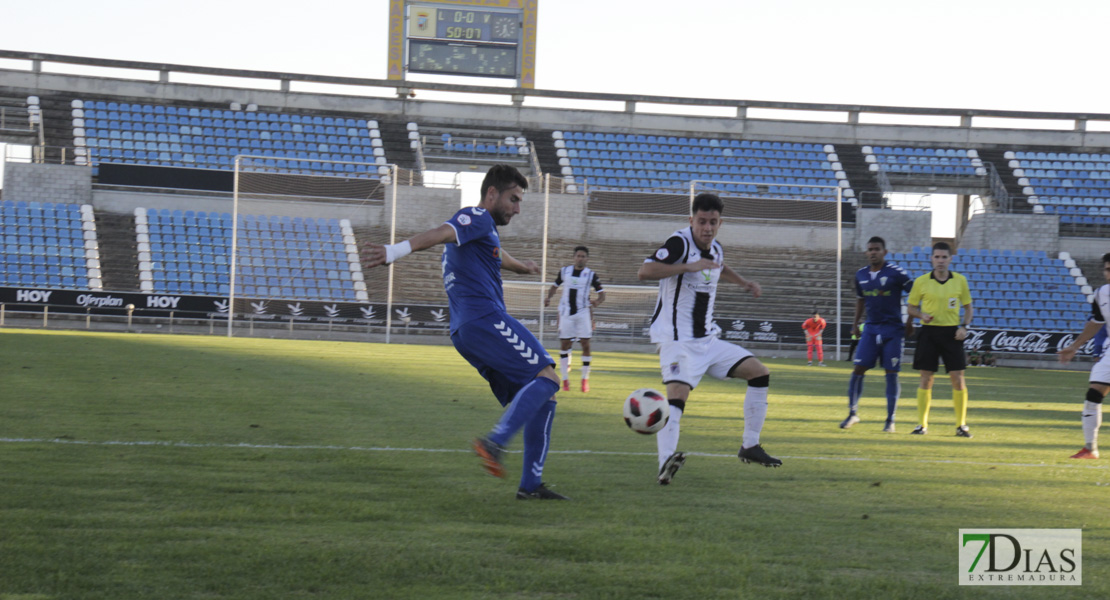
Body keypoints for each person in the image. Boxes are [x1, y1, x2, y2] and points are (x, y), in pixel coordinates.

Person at [361, 164, 568, 500]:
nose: (517, 208)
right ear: (492, 194)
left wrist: (523, 267)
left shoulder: (481, 232)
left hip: (464, 330)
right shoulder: (476, 216)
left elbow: (496, 255)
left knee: (544, 395)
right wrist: (393, 251)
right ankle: (494, 443)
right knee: (548, 377)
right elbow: (441, 232)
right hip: (485, 318)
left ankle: (531, 487)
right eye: (513, 199)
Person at [638, 192, 782, 486]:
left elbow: (719, 265)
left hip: (707, 340)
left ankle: (750, 445)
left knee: (759, 373)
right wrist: (686, 267)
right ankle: (665, 462)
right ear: (691, 220)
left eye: (713, 222)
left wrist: (744, 283)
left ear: (720, 223)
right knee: (677, 397)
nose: (707, 228)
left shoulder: (715, 249)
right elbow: (645, 270)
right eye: (701, 221)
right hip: (677, 341)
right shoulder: (679, 243)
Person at [840, 236, 914, 433]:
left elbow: (914, 295)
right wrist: (855, 324)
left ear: (884, 252)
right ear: (867, 252)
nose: (873, 252)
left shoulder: (896, 273)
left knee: (891, 374)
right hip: (871, 329)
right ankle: (852, 413)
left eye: (877, 249)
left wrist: (910, 320)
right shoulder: (860, 275)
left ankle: (890, 420)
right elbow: (860, 300)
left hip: (893, 330)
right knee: (858, 369)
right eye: (870, 249)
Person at [905, 241, 974, 437]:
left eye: (944, 257)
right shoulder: (921, 282)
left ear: (950, 259)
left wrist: (964, 327)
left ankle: (961, 425)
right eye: (937, 257)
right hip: (929, 332)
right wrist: (920, 316)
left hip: (952, 334)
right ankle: (922, 425)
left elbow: (968, 307)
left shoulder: (960, 281)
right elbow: (911, 307)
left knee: (958, 379)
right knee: (926, 378)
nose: (940, 261)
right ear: (931, 258)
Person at [1058, 253, 1110, 459]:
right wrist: (1075, 346)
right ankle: (1090, 448)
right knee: (1094, 393)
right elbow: (1096, 323)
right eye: (1107, 269)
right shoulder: (1101, 294)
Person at [544, 246, 606, 393]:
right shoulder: (565, 271)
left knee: (586, 344)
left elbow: (602, 294)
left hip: (583, 312)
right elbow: (554, 286)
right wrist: (548, 298)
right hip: (566, 313)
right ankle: (565, 380)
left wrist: (597, 302)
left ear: (587, 259)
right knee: (565, 344)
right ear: (574, 257)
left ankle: (585, 379)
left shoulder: (590, 275)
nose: (580, 258)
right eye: (578, 256)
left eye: (583, 256)